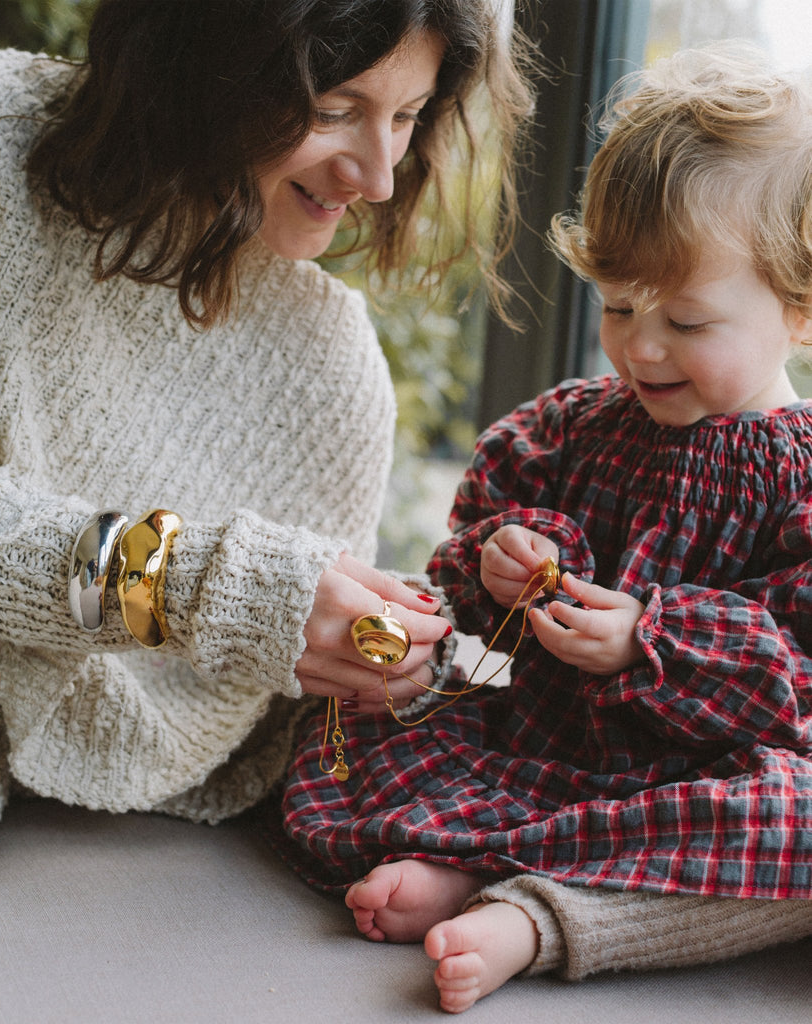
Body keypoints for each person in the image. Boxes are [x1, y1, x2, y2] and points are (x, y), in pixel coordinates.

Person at [280, 42, 812, 1012]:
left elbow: (794, 676)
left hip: (682, 788)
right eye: (615, 305)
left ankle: (531, 909)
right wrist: (504, 553)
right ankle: (478, 863)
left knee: (798, 813)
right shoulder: (570, 422)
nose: (641, 345)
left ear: (801, 309)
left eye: (688, 322)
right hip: (525, 743)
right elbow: (461, 571)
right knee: (336, 715)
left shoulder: (803, 476)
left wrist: (654, 642)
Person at [0, 0, 535, 839]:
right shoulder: (2, 144)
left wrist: (396, 658)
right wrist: (189, 587)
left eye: (405, 117)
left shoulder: (328, 372)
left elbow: (286, 703)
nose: (380, 175)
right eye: (333, 111)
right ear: (204, 62)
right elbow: (206, 596)